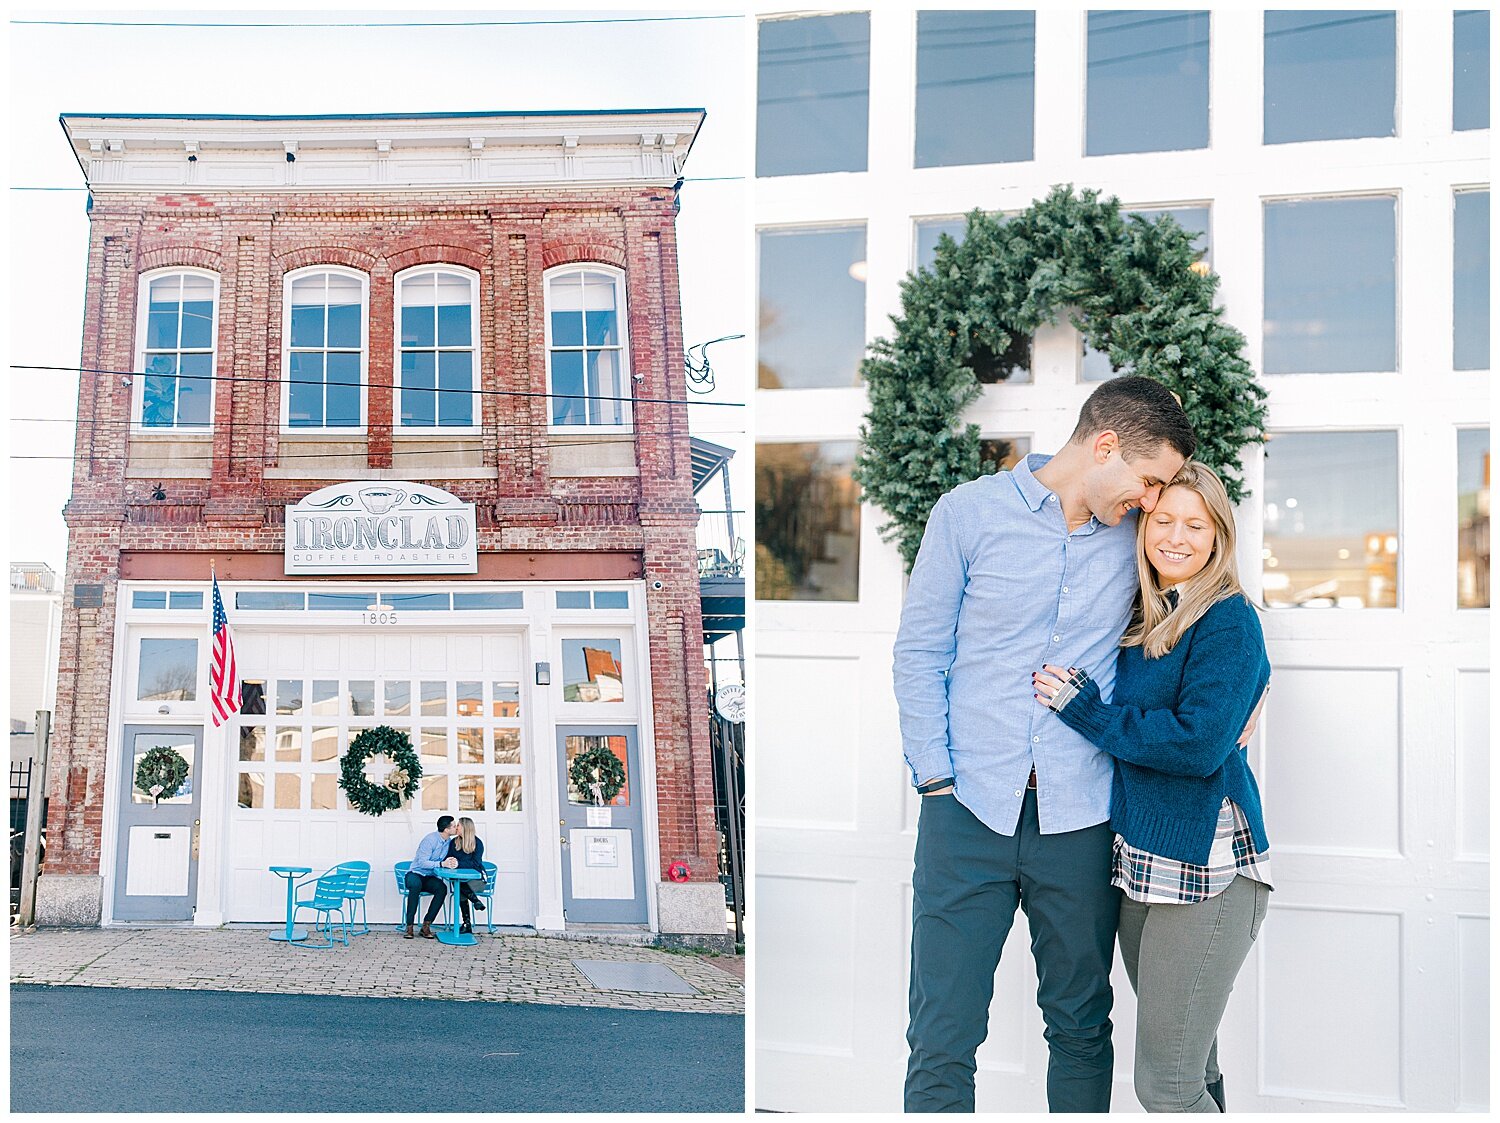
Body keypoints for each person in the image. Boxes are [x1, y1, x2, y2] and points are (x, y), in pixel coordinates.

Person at [895, 375, 1200, 1113]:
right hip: (966, 811)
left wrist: (1245, 691)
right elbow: (919, 653)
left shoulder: (1138, 538)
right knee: (942, 1032)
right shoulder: (966, 515)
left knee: (1081, 1027)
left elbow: (1212, 593)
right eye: (1149, 479)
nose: (1154, 501)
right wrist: (936, 779)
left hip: (1081, 818)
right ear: (1104, 446)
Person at [1033, 461, 1272, 1113]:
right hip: (1141, 864)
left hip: (1207, 869)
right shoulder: (1147, 611)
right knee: (1195, 1065)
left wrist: (1086, 712)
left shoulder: (1226, 617)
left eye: (1195, 524)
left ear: (1218, 534)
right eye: (1163, 519)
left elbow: (1196, 745)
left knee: (1164, 1084)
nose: (1176, 535)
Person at [404, 814, 460, 940]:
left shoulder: (448, 842)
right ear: (446, 829)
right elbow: (422, 862)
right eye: (454, 826)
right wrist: (441, 864)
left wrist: (451, 861)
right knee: (415, 885)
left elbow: (447, 859)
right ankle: (409, 926)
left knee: (442, 888)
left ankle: (426, 925)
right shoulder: (430, 840)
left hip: (429, 877)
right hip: (415, 873)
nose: (456, 828)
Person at [447, 816, 487, 934]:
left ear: (465, 828)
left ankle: (467, 923)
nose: (456, 827)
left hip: (476, 881)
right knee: (459, 885)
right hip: (461, 880)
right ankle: (475, 902)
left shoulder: (477, 843)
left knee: (459, 887)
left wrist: (458, 863)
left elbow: (476, 863)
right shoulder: (454, 842)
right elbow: (448, 857)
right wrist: (451, 861)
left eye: (458, 825)